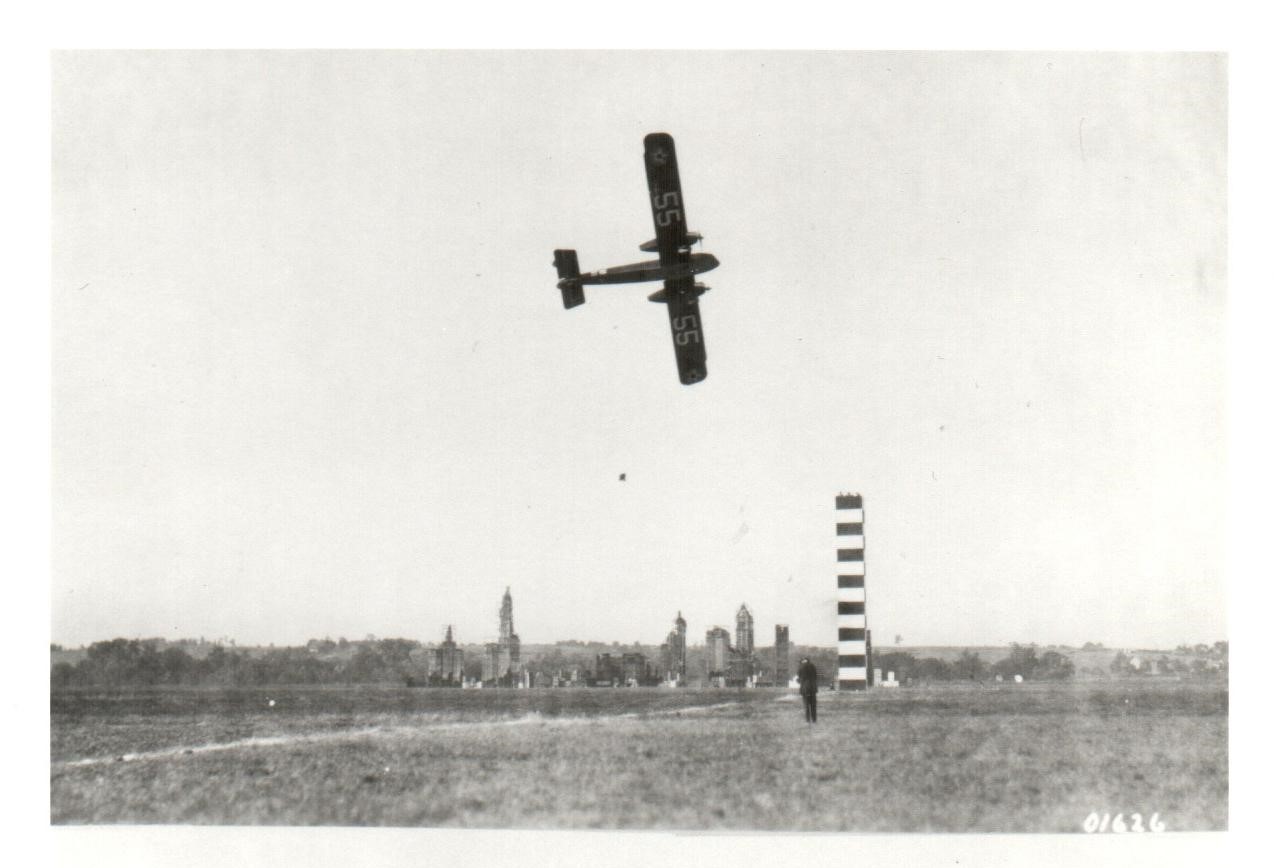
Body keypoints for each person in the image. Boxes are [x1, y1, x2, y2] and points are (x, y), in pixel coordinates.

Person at [798, 656, 818, 723]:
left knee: (806, 705)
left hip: (805, 689)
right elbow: (815, 677)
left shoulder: (801, 667)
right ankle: (814, 719)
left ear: (803, 661)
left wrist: (799, 681)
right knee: (813, 705)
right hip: (813, 688)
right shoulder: (813, 666)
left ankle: (808, 720)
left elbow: (800, 678)